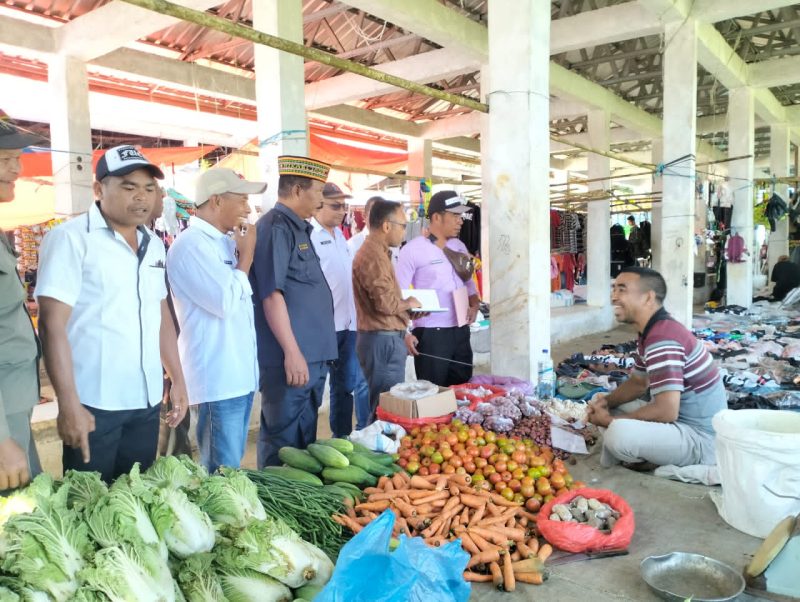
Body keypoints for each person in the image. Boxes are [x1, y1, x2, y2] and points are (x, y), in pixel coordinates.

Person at [36, 145, 188, 482]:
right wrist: (68, 403)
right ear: (98, 189)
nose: (142, 198)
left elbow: (160, 312)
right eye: (129, 187)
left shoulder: (154, 243)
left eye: (149, 189)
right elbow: (51, 326)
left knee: (135, 498)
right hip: (93, 403)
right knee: (89, 506)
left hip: (146, 401)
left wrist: (177, 378)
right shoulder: (70, 240)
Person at [167, 168, 265, 472]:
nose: (249, 209)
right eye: (243, 200)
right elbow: (222, 301)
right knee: (222, 474)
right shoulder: (191, 246)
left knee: (230, 468)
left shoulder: (222, 242)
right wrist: (245, 258)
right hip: (218, 379)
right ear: (216, 201)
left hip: (237, 375)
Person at [587, 267, 726, 471]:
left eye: (622, 290)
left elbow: (667, 411)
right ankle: (653, 452)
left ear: (648, 298)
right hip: (679, 423)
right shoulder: (652, 330)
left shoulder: (662, 338)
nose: (614, 297)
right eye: (614, 289)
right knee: (601, 401)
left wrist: (609, 421)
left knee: (619, 434)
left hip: (700, 439)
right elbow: (638, 383)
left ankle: (658, 457)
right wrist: (605, 402)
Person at [250, 156, 337, 467]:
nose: (321, 198)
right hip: (291, 358)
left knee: (303, 442)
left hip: (312, 356)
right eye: (318, 191)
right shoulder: (275, 228)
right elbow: (271, 295)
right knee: (282, 442)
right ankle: (274, 505)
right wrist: (292, 351)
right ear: (298, 190)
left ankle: (294, 507)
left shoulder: (299, 229)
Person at [0, 112, 44, 491]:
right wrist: (1, 439)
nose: (16, 168)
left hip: (14, 405)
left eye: (17, 157)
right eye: (3, 159)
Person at [396, 191, 480, 387]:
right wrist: (405, 332)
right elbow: (397, 295)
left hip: (460, 329)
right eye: (455, 216)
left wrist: (474, 305)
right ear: (436, 217)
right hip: (431, 333)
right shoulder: (412, 250)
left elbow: (468, 282)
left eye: (461, 216)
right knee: (433, 393)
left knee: (462, 390)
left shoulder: (459, 246)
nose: (460, 221)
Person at [352, 199, 422, 422]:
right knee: (386, 409)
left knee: (388, 405)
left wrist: (408, 313)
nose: (404, 231)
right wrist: (408, 303)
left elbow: (387, 303)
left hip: (386, 339)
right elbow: (385, 304)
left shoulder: (379, 252)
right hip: (382, 342)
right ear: (386, 226)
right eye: (403, 225)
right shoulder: (372, 255)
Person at [310, 182, 370, 435]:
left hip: (348, 325)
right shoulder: (309, 237)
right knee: (313, 391)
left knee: (345, 387)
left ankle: (341, 438)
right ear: (317, 206)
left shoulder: (340, 238)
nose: (342, 212)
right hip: (323, 328)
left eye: (344, 206)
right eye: (336, 206)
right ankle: (308, 446)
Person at [348, 195, 399, 263]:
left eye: (383, 214)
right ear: (364, 215)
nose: (379, 218)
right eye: (375, 213)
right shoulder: (353, 245)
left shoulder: (392, 243)